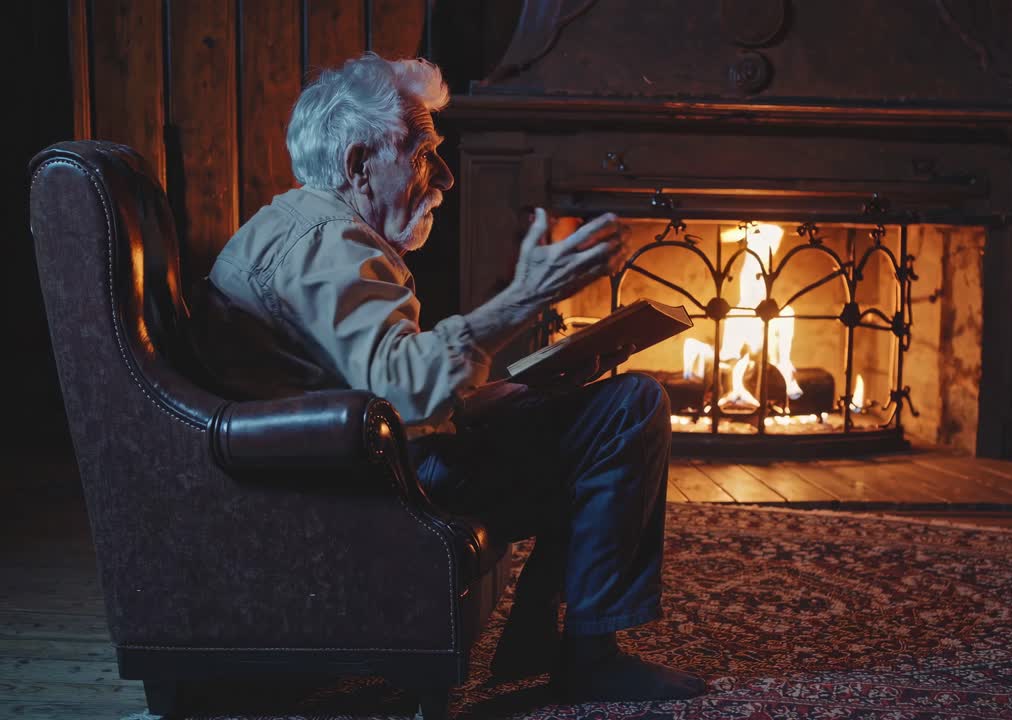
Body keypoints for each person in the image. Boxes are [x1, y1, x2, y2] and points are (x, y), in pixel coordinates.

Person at [202, 52, 705, 703]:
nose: (443, 176)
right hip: (364, 484)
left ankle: (557, 636)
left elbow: (372, 385)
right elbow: (402, 388)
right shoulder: (330, 246)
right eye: (421, 152)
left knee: (578, 407)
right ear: (359, 164)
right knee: (628, 409)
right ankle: (589, 655)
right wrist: (524, 298)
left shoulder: (300, 226)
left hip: (346, 459)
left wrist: (471, 405)